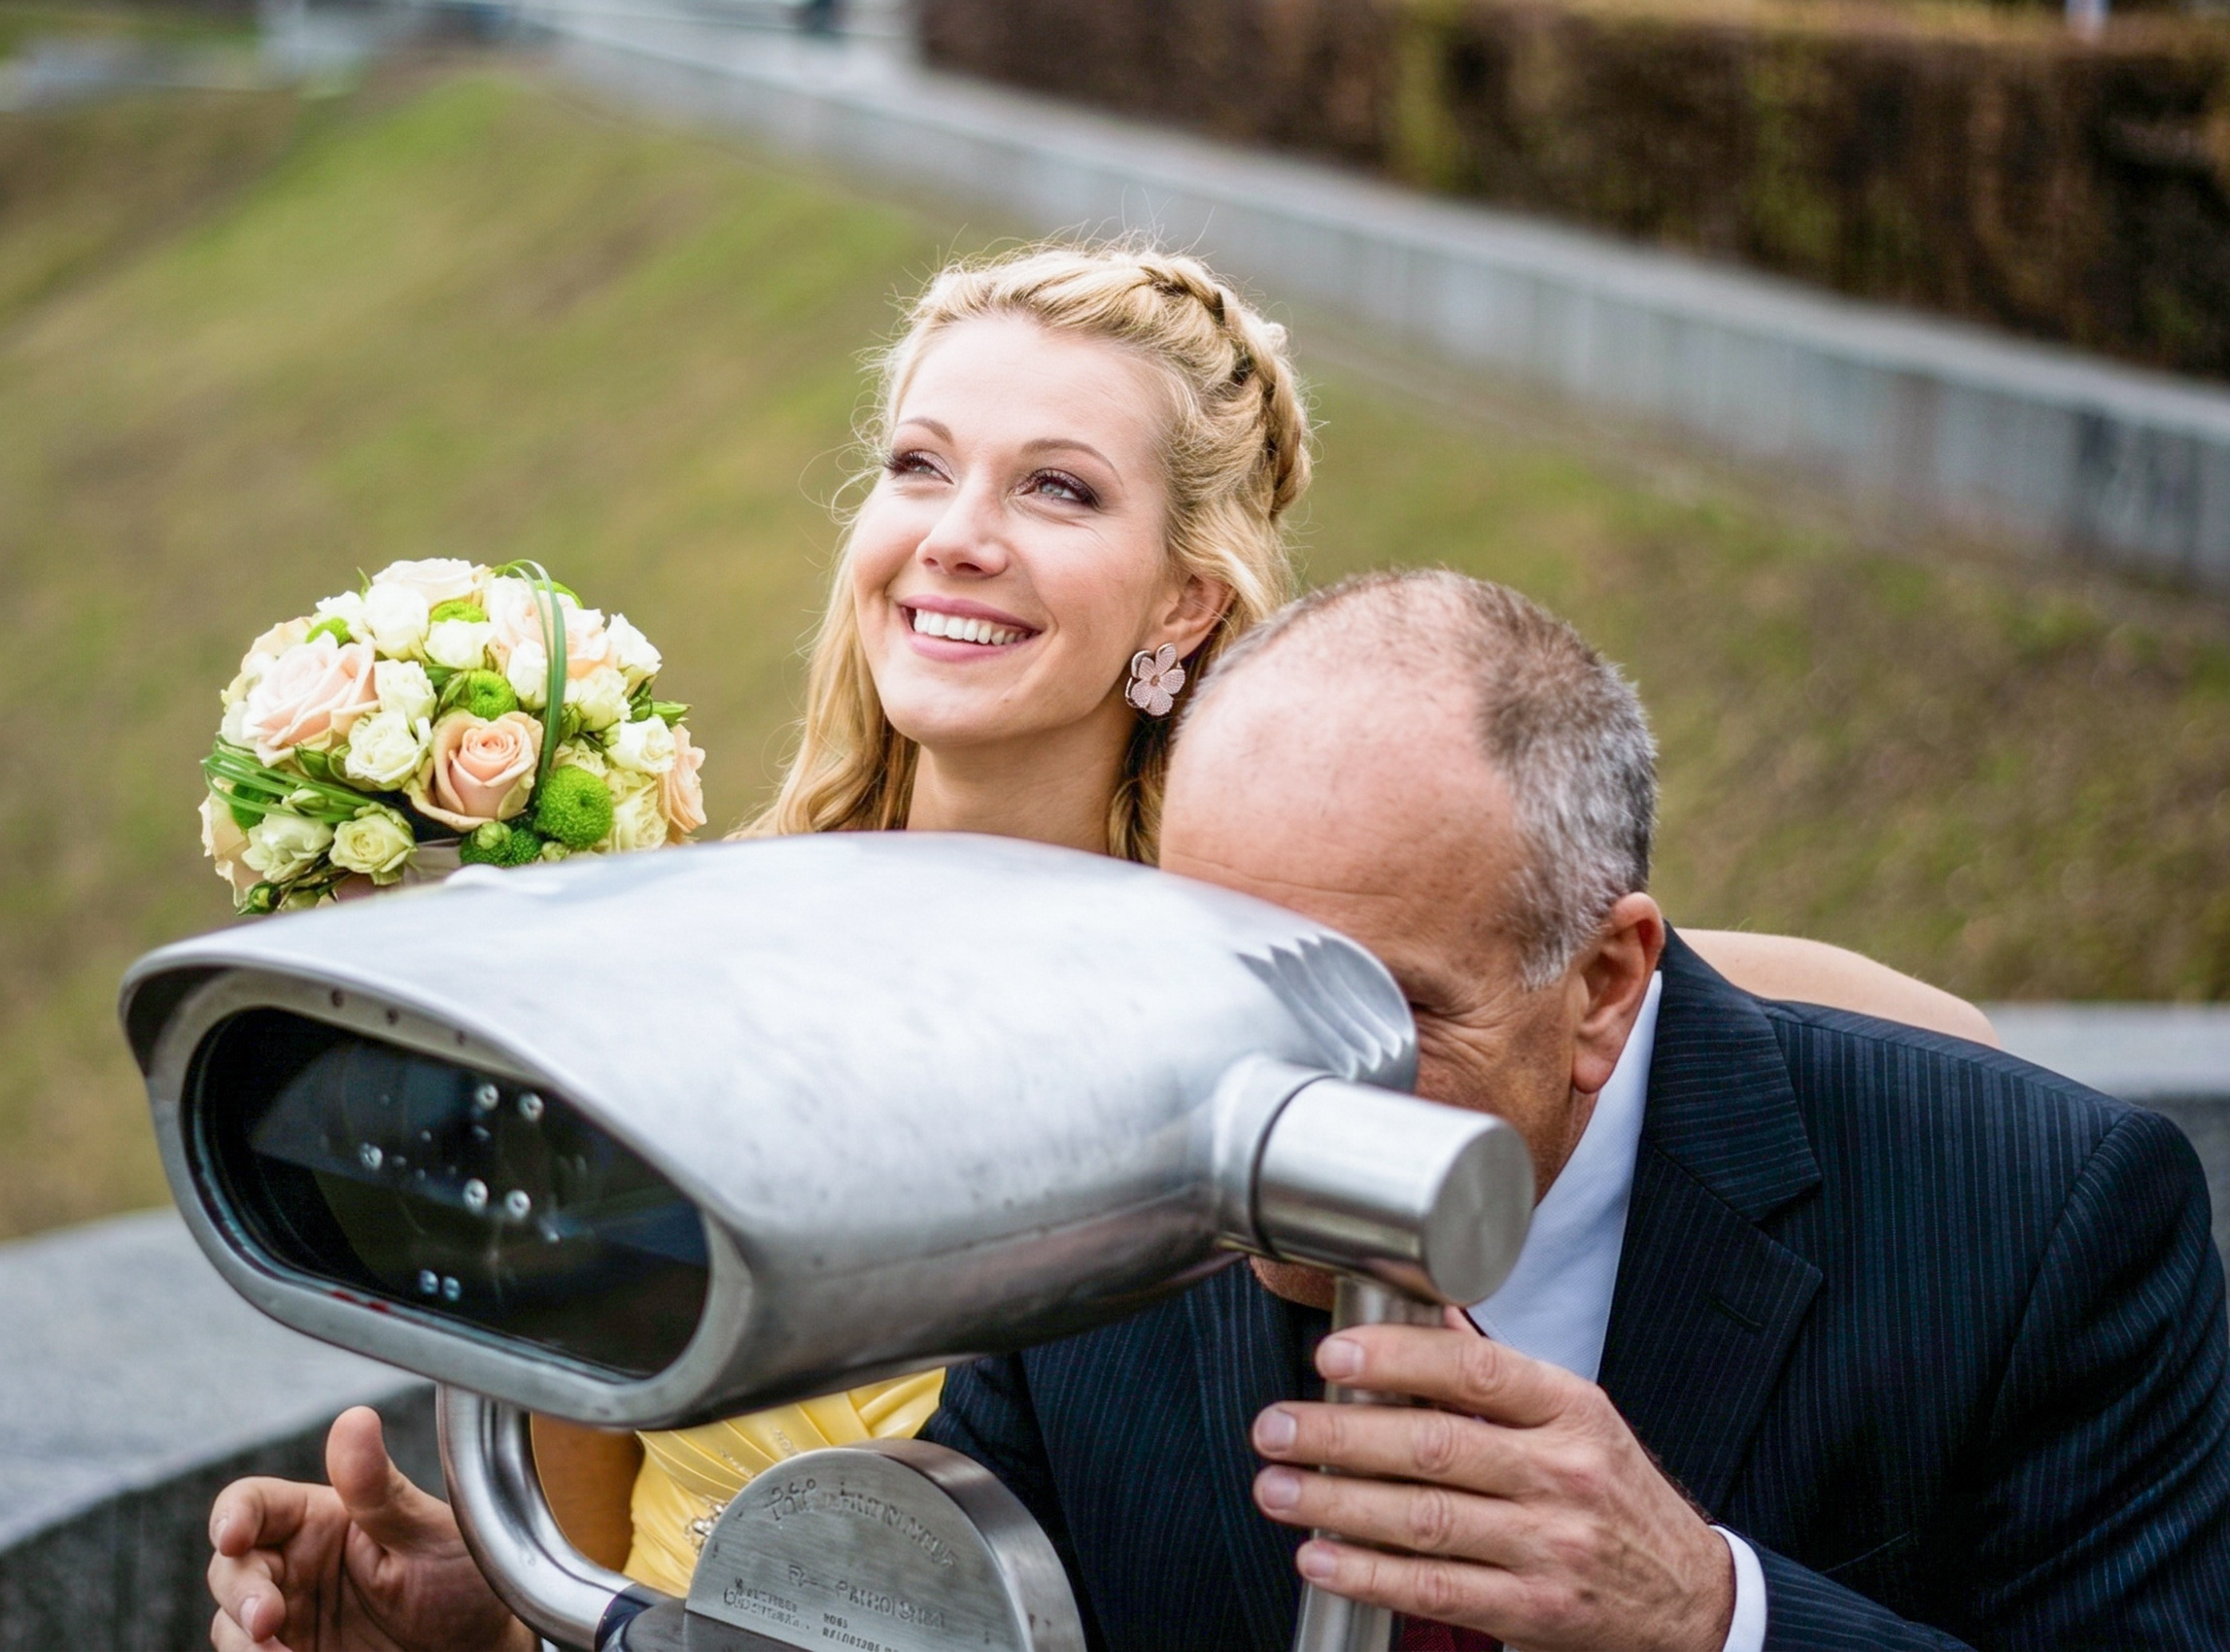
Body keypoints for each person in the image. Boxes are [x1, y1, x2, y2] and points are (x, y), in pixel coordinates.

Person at [199, 246, 1996, 1652]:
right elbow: (586, 1542)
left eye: (1057, 489)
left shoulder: (1290, 990)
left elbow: (1711, 1024)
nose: (956, 537)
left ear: (1188, 597)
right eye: (919, 464)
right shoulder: (684, 956)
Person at [923, 568, 2230, 1650]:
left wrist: (1713, 1614)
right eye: (1223, 987)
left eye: (1389, 1016)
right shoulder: (1099, 1188)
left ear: (1605, 983)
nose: (1272, 1101)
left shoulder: (2044, 1219)